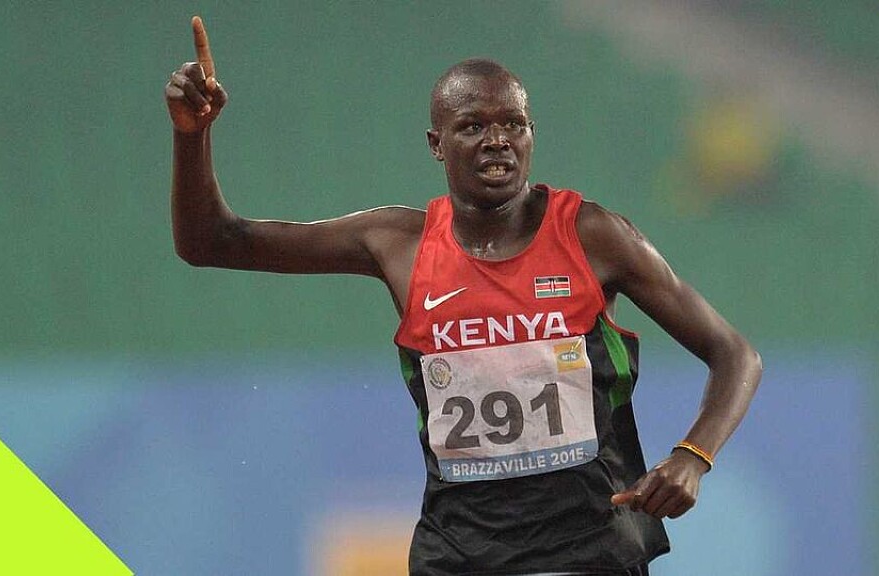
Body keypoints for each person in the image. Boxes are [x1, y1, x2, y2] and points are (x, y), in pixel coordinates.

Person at [166, 16, 761, 576]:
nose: (497, 140)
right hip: (459, 554)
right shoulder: (397, 244)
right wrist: (192, 137)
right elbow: (210, 241)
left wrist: (694, 455)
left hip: (592, 547)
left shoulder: (592, 236)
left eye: (513, 125)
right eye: (473, 126)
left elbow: (735, 354)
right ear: (436, 143)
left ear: (531, 134)